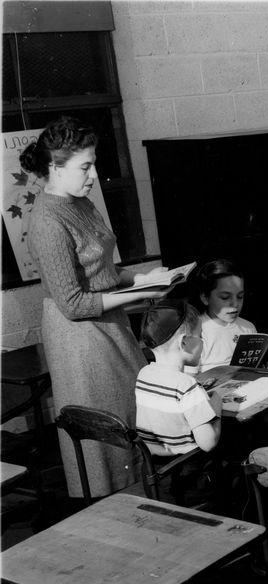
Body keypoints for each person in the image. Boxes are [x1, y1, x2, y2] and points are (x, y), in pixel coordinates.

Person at [21, 116, 167, 498]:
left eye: (94, 163)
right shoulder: (47, 221)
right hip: (80, 338)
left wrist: (148, 277)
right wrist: (142, 294)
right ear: (54, 167)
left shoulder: (82, 204)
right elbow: (73, 303)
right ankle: (116, 510)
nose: (93, 174)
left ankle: (146, 500)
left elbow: (104, 272)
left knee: (133, 412)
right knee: (109, 428)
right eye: (85, 166)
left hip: (110, 324)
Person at [135, 302, 221, 504]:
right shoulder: (187, 386)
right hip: (186, 480)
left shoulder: (144, 374)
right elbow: (208, 443)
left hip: (153, 477)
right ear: (184, 343)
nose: (203, 343)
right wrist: (216, 407)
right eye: (200, 337)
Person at [190, 259, 256, 371]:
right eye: (225, 297)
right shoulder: (196, 331)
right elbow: (190, 378)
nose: (235, 304)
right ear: (205, 298)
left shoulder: (248, 328)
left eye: (240, 296)